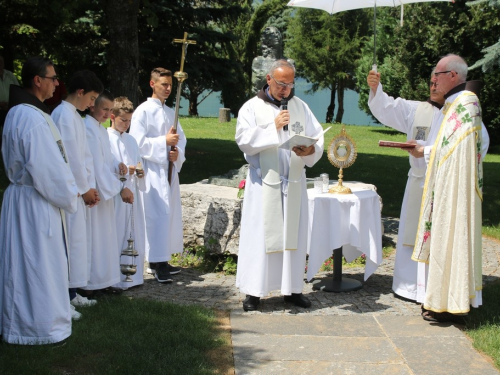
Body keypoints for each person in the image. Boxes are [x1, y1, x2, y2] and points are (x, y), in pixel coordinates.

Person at [235, 59, 324, 311]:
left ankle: (292, 289)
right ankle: (254, 292)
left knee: (292, 239)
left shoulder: (300, 107)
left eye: (290, 84)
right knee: (261, 238)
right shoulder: (251, 108)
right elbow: (243, 140)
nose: (286, 89)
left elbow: (316, 136)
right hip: (265, 185)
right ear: (269, 79)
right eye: (281, 83)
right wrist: (272, 127)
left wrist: (310, 149)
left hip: (293, 182)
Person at [0, 56, 78, 344]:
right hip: (36, 200)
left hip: (26, 198)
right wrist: (70, 195)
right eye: (53, 78)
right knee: (37, 265)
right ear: (37, 80)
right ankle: (39, 327)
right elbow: (47, 167)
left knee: (24, 264)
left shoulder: (22, 112)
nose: (56, 83)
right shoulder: (31, 117)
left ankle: (22, 323)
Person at [413, 54, 488, 322]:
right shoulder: (457, 104)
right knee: (446, 240)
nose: (433, 79)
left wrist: (426, 151)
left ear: (453, 76)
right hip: (449, 183)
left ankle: (449, 304)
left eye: (438, 74)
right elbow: (448, 148)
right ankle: (443, 300)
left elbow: (457, 151)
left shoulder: (465, 105)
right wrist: (428, 151)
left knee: (450, 237)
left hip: (455, 189)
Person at [367, 70, 446, 302]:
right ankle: (409, 285)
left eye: (437, 83)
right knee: (412, 233)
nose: (432, 86)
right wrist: (375, 89)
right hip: (418, 181)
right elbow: (388, 107)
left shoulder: (457, 115)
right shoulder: (417, 110)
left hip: (442, 183)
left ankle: (434, 286)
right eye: (430, 82)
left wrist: (428, 153)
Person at [51, 70, 102, 319]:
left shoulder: (75, 117)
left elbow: (86, 156)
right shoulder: (62, 115)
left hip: (81, 190)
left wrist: (91, 186)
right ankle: (64, 295)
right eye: (92, 98)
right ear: (80, 92)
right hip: (71, 191)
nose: (92, 104)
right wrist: (83, 190)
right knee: (69, 243)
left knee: (78, 243)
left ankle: (72, 291)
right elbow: (69, 157)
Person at [130, 67, 185, 283]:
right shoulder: (142, 111)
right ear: (152, 84)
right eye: (164, 84)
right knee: (156, 215)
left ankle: (164, 258)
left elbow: (182, 139)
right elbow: (137, 143)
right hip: (151, 171)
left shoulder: (171, 112)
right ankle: (155, 261)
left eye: (170, 85)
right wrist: (164, 143)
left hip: (168, 170)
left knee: (168, 214)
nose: (169, 89)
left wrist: (176, 153)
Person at [83, 91, 132, 294]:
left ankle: (103, 281)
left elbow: (106, 159)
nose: (106, 114)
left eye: (109, 110)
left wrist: (117, 163)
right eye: (104, 109)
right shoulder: (87, 128)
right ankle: (90, 284)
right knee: (94, 237)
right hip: (95, 190)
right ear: (92, 106)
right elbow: (95, 164)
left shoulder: (100, 130)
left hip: (104, 190)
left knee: (105, 237)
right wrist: (120, 187)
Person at [108, 96, 146, 289]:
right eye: (123, 120)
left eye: (129, 121)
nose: (127, 124)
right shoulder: (107, 138)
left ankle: (133, 277)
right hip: (117, 195)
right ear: (112, 116)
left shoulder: (131, 140)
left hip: (132, 194)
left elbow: (138, 162)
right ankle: (115, 278)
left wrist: (139, 171)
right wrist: (122, 171)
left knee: (133, 231)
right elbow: (107, 166)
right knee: (117, 233)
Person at [0, 54, 19, 128]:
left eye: (1, 61)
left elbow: (17, 89)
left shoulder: (10, 75)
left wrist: (11, 103)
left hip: (10, 108)